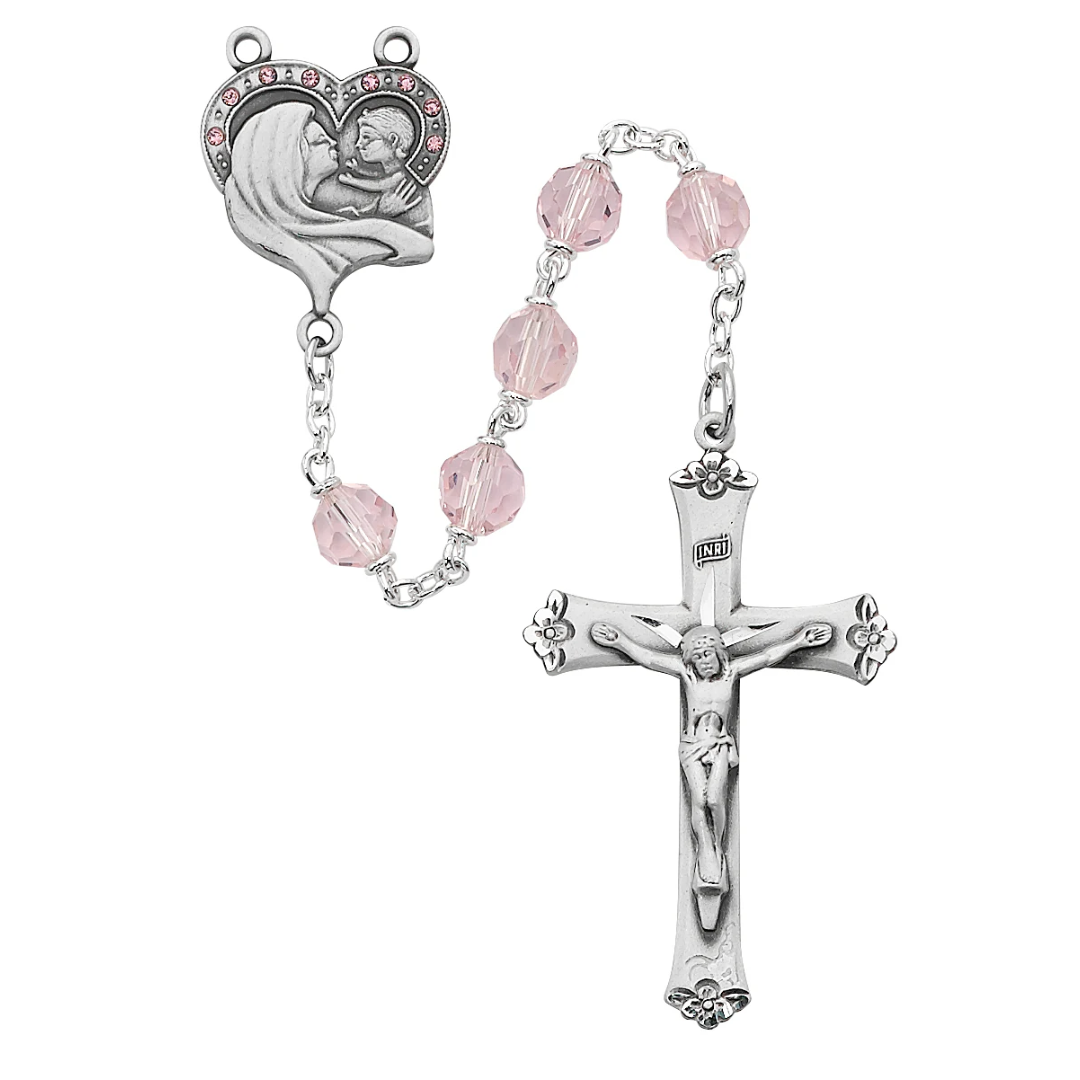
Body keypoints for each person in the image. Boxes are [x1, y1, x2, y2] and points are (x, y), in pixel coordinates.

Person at [224, 102, 433, 313]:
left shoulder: (340, 221)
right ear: (290, 158)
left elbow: (422, 248)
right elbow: (417, 247)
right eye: (320, 141)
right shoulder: (281, 233)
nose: (334, 141)